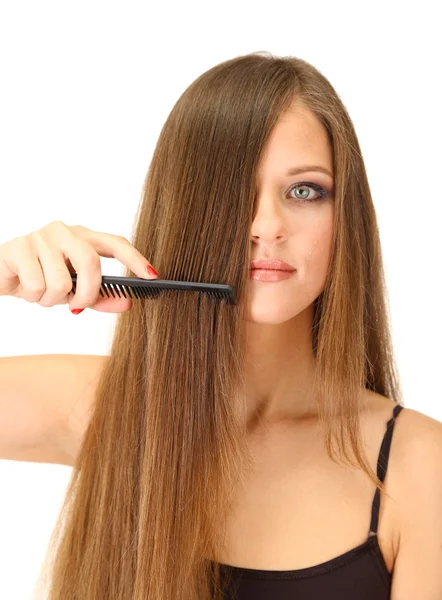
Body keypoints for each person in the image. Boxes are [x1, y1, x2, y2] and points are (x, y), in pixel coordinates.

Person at [1, 51, 442, 600]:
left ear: (344, 218)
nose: (267, 226)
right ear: (187, 209)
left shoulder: (418, 467)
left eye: (304, 190)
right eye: (233, 191)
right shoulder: (103, 406)